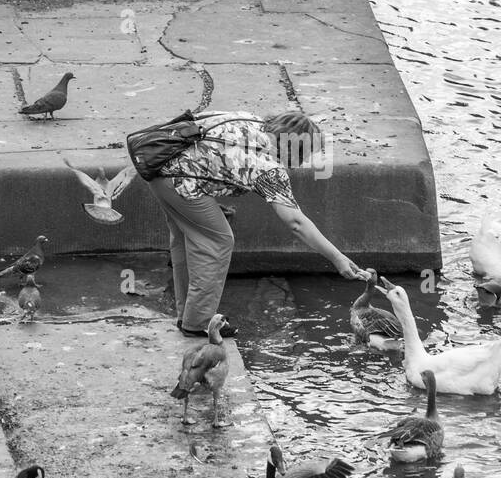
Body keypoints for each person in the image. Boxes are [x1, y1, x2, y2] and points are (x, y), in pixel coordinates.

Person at [147, 110, 371, 338]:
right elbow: (296, 223)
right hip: (181, 181)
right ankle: (199, 322)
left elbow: (197, 117)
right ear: (295, 147)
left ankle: (188, 315)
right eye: (306, 154)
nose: (304, 162)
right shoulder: (270, 167)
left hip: (158, 165)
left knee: (189, 238)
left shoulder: (249, 119)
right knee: (219, 241)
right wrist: (337, 258)